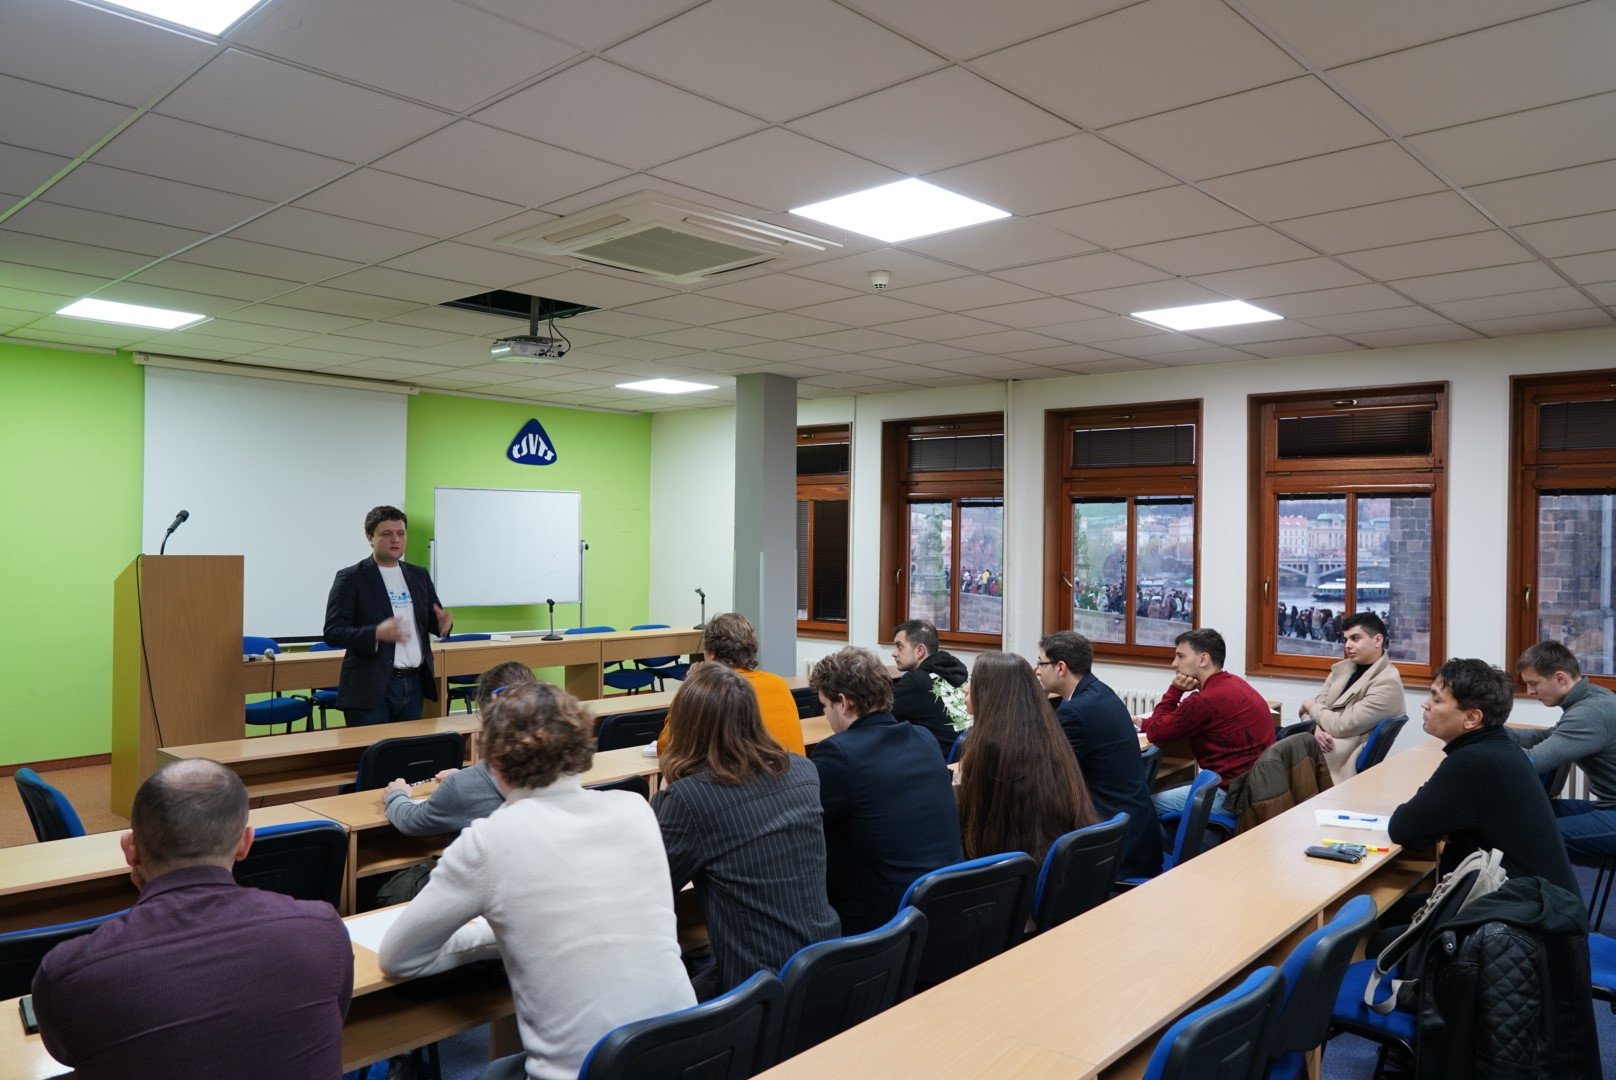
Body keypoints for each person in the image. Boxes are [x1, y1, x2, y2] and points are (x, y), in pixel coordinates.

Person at [379, 682, 695, 1079]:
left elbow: (398, 957)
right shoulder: (635, 808)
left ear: (493, 762)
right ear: (581, 744)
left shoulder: (489, 839)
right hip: (688, 1053)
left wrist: (493, 937)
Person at [32, 760, 352, 1080]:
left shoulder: (67, 970)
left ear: (130, 849)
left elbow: (68, 1053)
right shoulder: (324, 928)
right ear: (245, 843)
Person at [653, 663, 839, 999]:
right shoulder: (804, 770)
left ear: (686, 726)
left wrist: (665, 793)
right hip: (824, 963)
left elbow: (652, 884)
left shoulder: (690, 798)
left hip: (757, 986)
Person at [1389, 658, 1577, 892]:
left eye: (1437, 699)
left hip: (1522, 908)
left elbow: (1403, 829)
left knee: (1387, 912)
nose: (1425, 704)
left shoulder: (1472, 762)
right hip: (1537, 898)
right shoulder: (1499, 748)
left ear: (1471, 718)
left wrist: (1443, 823)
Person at [809, 646, 962, 934]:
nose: (826, 715)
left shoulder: (839, 754)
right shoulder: (924, 739)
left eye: (825, 706)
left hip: (886, 925)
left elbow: (804, 825)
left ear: (843, 702)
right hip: (946, 905)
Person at [1036, 631, 1162, 879]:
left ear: (1060, 668)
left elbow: (1042, 769)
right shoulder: (1100, 692)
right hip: (1135, 827)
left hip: (1115, 843)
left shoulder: (1075, 712)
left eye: (1041, 663)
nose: (1037, 671)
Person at [957, 651, 1098, 865]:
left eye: (974, 681)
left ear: (991, 693)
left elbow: (978, 834)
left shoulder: (991, 746)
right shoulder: (1050, 735)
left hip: (1013, 868)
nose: (966, 688)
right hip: (1054, 862)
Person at [324, 505, 453, 725]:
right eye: (386, 534)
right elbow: (333, 632)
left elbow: (433, 623)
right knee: (373, 747)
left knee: (409, 747)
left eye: (401, 533)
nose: (395, 539)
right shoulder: (351, 578)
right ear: (370, 537)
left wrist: (443, 625)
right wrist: (376, 633)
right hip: (370, 687)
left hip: (414, 683)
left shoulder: (419, 575)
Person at [383, 661, 538, 836]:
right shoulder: (554, 769)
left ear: (486, 713)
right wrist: (465, 777)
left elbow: (412, 821)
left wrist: (397, 794)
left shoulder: (463, 788)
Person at [1138, 628, 1275, 817]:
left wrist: (1175, 690)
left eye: (1180, 656)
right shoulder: (1233, 682)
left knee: (1143, 806)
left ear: (1203, 659)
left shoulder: (1205, 700)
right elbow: (1178, 723)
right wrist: (1142, 723)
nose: (1174, 664)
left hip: (1230, 797)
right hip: (1255, 791)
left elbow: (1156, 733)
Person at [1508, 639, 1616, 863]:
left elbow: (1530, 763)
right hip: (1609, 807)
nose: (1530, 691)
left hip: (1612, 812)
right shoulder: (1592, 697)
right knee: (1523, 812)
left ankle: (1544, 889)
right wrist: (1491, 730)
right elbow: (1547, 737)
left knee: (1520, 837)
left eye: (1533, 684)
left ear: (1560, 678)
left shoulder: (1590, 713)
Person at [655, 611, 803, 756]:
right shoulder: (778, 683)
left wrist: (690, 687)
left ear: (711, 653)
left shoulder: (713, 691)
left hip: (752, 772)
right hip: (794, 770)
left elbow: (666, 747)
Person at [1298, 611, 1407, 782]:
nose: (1347, 645)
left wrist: (1309, 705)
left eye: (1355, 638)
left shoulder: (1387, 683)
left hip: (1335, 760)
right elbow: (1312, 710)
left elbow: (1340, 725)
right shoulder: (1341, 669)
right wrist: (1315, 728)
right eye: (1346, 640)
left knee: (1272, 753)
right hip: (1316, 746)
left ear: (1378, 640)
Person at [890, 618, 970, 757]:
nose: (894, 653)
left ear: (920, 650)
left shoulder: (916, 681)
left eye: (899, 646)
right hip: (966, 759)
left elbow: (877, 714)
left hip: (940, 764)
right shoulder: (954, 673)